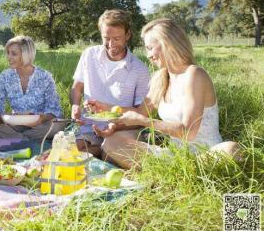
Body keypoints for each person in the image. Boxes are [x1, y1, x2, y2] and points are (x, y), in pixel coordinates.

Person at [87, 18, 241, 169]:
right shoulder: (161, 77)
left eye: (149, 48)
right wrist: (105, 108)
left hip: (204, 155)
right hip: (175, 156)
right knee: (112, 142)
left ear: (168, 44)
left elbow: (188, 132)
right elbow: (140, 113)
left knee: (231, 150)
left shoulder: (194, 74)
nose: (148, 55)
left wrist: (145, 122)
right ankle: (176, 172)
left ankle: (177, 171)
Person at [70, 9, 150, 155]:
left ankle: (105, 153)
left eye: (117, 39)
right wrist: (75, 106)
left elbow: (141, 116)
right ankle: (101, 153)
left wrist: (116, 126)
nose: (111, 44)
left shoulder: (140, 70)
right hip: (89, 125)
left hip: (121, 128)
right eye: (106, 38)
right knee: (72, 150)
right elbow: (77, 87)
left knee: (109, 149)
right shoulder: (89, 55)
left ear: (127, 35)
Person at [0, 36, 65, 142]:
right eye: (8, 53)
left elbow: (54, 109)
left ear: (26, 55)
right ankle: (26, 140)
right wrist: (4, 116)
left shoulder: (45, 76)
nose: (9, 57)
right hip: (16, 123)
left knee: (59, 124)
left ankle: (17, 139)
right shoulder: (5, 76)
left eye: (14, 54)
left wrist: (41, 118)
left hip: (40, 123)